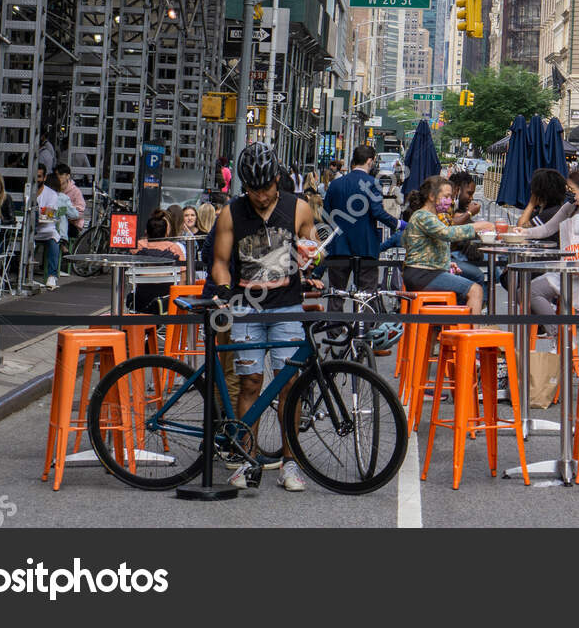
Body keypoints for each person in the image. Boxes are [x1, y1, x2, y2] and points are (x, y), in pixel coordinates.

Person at [208, 141, 320, 492]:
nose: (261, 197)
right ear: (245, 186)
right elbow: (221, 263)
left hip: (287, 307)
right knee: (251, 384)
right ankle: (246, 459)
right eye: (254, 191)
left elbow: (312, 247)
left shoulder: (298, 208)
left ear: (277, 179)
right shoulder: (231, 214)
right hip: (247, 309)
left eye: (267, 188)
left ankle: (290, 462)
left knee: (289, 385)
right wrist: (224, 290)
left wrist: (312, 258)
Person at [516, 169, 579, 317]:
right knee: (526, 292)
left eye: (572, 190)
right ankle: (558, 335)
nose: (568, 193)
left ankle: (562, 335)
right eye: (567, 189)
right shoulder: (571, 206)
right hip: (569, 271)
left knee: (531, 291)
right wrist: (524, 232)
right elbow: (548, 228)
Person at [400, 175, 490, 311]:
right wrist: (477, 227)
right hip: (422, 275)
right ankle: (471, 330)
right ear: (431, 196)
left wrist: (445, 263)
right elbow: (447, 233)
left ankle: (450, 327)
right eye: (446, 196)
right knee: (475, 290)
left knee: (464, 293)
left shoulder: (428, 216)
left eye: (451, 197)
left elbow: (423, 249)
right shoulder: (423, 216)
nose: (450, 201)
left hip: (424, 273)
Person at [322, 145, 402, 291]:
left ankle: (334, 315)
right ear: (370, 161)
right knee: (366, 296)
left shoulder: (335, 184)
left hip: (338, 246)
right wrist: (398, 223)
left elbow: (325, 214)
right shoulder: (373, 184)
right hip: (366, 247)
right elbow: (377, 212)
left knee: (336, 295)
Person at [129, 212, 186, 313]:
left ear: (147, 231)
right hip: (167, 298)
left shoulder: (138, 246)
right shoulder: (174, 248)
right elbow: (183, 276)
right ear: (166, 232)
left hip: (141, 297)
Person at [35, 172, 79, 291]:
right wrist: (63, 211)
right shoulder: (63, 198)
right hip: (55, 230)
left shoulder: (51, 196)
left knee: (53, 234)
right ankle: (52, 273)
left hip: (45, 229)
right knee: (59, 227)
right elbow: (75, 214)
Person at [445, 171, 488, 285]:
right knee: (484, 273)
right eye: (469, 193)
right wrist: (469, 213)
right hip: (451, 257)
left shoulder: (455, 206)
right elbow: (449, 226)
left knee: (493, 267)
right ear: (458, 189)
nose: (471, 198)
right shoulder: (446, 203)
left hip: (459, 256)